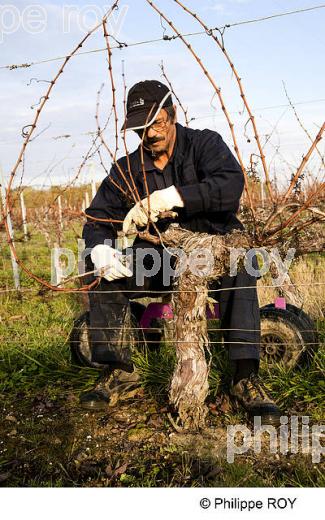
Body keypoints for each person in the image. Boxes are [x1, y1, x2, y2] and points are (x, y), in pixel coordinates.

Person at [80, 79, 281, 425]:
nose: (149, 135)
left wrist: (174, 197)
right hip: (159, 259)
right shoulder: (127, 169)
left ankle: (244, 377)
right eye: (140, 128)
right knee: (102, 273)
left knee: (241, 267)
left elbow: (230, 185)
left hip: (212, 251)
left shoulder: (204, 144)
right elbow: (97, 218)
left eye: (156, 123)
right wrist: (100, 249)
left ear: (172, 116)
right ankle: (119, 370)